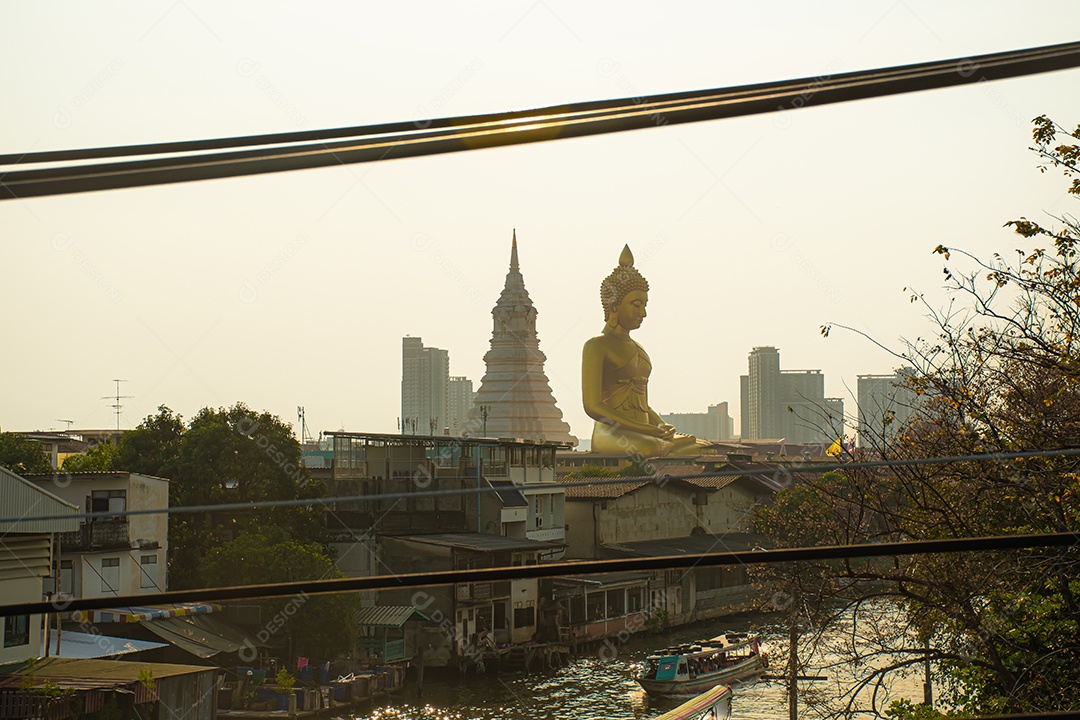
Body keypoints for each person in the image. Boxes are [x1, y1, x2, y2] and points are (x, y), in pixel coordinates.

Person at [582, 245, 701, 457]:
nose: (643, 313)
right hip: (611, 433)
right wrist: (645, 430)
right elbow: (592, 406)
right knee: (650, 448)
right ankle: (666, 447)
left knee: (700, 445)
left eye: (645, 305)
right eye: (636, 305)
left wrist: (661, 425)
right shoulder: (596, 345)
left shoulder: (638, 348)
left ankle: (667, 446)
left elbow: (641, 403)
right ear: (614, 306)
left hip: (644, 432)